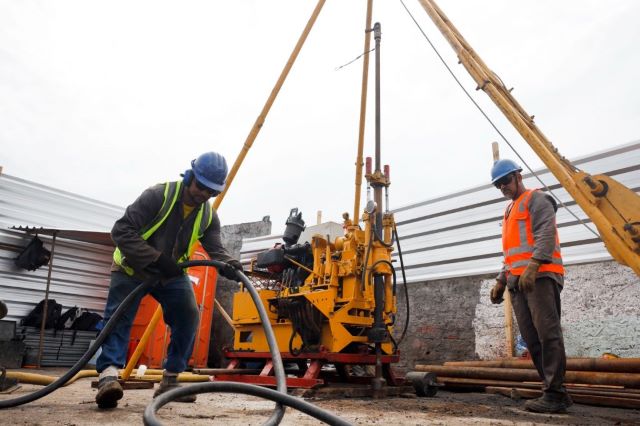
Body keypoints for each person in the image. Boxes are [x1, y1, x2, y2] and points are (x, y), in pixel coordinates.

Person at [95, 152, 243, 409]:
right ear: (189, 176)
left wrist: (228, 264)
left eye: (211, 192)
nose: (203, 195)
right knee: (119, 319)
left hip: (170, 274)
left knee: (188, 314)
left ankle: (171, 380)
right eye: (201, 187)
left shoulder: (208, 216)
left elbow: (215, 248)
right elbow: (121, 231)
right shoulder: (158, 195)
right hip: (132, 268)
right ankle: (108, 377)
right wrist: (154, 258)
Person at [489, 159, 572, 414]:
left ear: (518, 175)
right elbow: (511, 254)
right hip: (517, 282)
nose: (503, 186)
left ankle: (555, 393)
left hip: (542, 277)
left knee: (548, 334)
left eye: (506, 180)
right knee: (532, 339)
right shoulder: (509, 210)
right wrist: (501, 280)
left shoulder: (537, 200)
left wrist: (534, 266)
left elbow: (546, 235)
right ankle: (551, 390)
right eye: (498, 184)